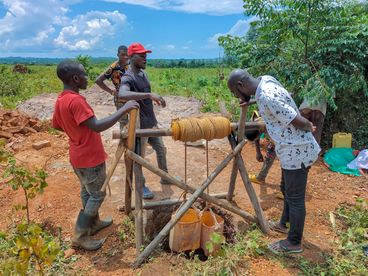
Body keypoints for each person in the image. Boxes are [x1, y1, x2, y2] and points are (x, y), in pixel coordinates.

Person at [227, 69, 320, 254]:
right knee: (286, 189)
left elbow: (293, 118)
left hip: (297, 149)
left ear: (240, 85)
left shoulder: (267, 95)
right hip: (289, 150)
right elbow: (274, 103)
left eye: (235, 92)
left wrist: (308, 125)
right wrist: (249, 100)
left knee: (295, 198)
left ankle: (293, 242)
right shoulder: (266, 81)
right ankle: (284, 224)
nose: (236, 96)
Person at [52, 60, 139, 250]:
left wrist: (75, 133)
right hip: (90, 158)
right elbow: (97, 126)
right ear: (75, 78)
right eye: (84, 75)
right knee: (97, 194)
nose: (87, 78)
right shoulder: (76, 101)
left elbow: (57, 125)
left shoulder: (61, 99)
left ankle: (94, 222)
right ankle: (80, 235)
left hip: (77, 156)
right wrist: (124, 109)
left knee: (87, 191)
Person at [118, 42, 170, 200]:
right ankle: (141, 186)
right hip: (139, 126)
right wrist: (148, 96)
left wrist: (154, 99)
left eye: (146, 56)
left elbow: (145, 93)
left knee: (161, 150)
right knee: (138, 159)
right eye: (141, 56)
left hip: (150, 122)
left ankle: (165, 177)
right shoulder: (128, 76)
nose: (145, 59)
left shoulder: (142, 73)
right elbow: (122, 94)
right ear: (131, 57)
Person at [95, 45, 129, 129]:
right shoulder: (113, 67)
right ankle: (124, 141)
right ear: (118, 55)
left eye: (127, 55)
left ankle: (135, 141)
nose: (125, 57)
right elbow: (98, 80)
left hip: (133, 97)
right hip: (120, 98)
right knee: (123, 123)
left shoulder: (131, 65)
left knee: (136, 121)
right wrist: (112, 92)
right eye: (122, 55)